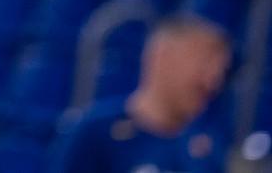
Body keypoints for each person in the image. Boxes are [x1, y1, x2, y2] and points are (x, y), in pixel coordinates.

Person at [50, 14, 233, 173]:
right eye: (204, 64)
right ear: (162, 57)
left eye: (220, 70)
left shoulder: (206, 151)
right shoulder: (95, 133)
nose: (213, 80)